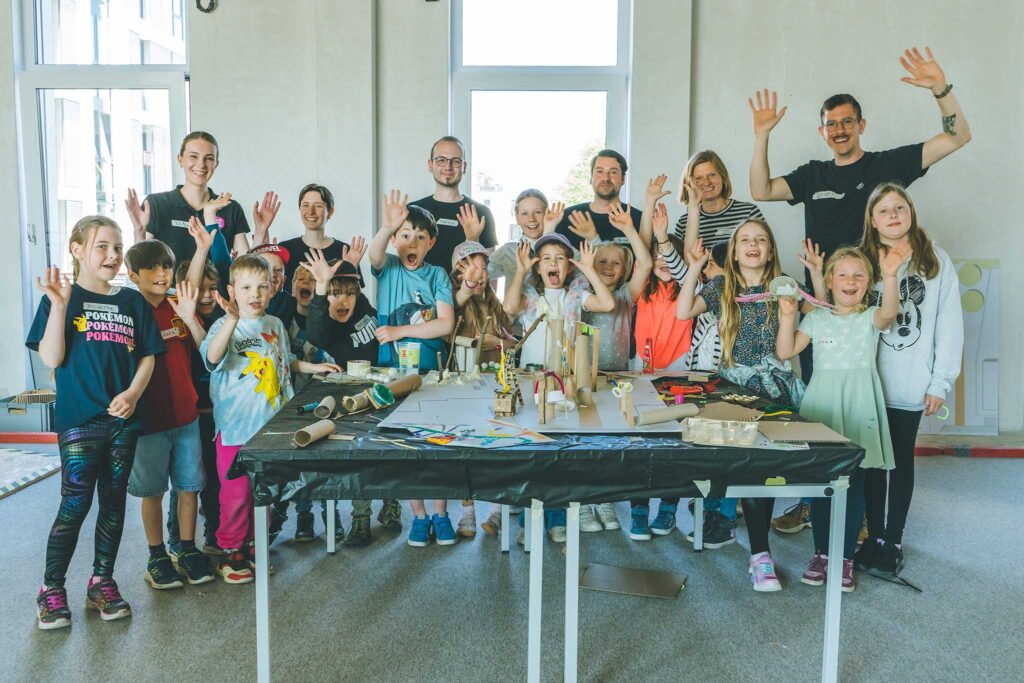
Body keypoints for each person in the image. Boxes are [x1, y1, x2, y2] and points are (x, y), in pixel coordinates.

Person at [27, 215, 164, 629]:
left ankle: (101, 581)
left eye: (117, 248)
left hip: (123, 420)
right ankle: (51, 589)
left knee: (114, 501)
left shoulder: (133, 301)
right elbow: (51, 358)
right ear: (78, 249)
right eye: (102, 246)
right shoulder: (61, 297)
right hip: (79, 419)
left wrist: (133, 394)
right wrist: (60, 305)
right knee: (75, 502)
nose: (112, 255)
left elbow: (148, 355)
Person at [677, 220, 810, 591]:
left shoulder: (785, 286)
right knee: (747, 471)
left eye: (761, 240)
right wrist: (693, 268)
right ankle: (758, 553)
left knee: (764, 473)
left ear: (770, 250)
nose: (753, 245)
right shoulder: (721, 286)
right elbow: (683, 312)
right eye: (746, 240)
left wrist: (793, 306)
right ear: (734, 251)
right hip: (733, 389)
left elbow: (793, 341)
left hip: (773, 389)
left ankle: (760, 554)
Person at [748, 46, 971, 259]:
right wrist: (762, 136)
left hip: (879, 291)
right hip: (823, 292)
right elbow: (761, 191)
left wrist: (940, 88)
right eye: (831, 125)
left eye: (847, 122)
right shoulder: (811, 175)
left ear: (861, 125)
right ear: (822, 132)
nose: (840, 130)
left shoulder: (888, 164)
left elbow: (957, 137)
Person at [200, 255, 340, 584]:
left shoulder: (275, 324)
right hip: (236, 429)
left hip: (272, 427)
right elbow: (211, 357)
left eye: (263, 287)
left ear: (273, 288)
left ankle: (253, 546)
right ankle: (231, 552)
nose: (256, 294)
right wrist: (231, 320)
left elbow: (284, 360)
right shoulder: (223, 326)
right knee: (235, 494)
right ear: (232, 291)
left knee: (263, 493)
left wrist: (314, 368)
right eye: (247, 287)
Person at [777, 245, 906, 592]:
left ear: (868, 283)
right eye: (843, 274)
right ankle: (821, 553)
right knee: (822, 488)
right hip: (824, 407)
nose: (850, 280)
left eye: (859, 275)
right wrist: (788, 315)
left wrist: (891, 275)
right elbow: (785, 352)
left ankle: (845, 557)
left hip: (859, 407)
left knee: (854, 489)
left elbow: (890, 312)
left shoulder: (871, 317)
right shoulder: (816, 318)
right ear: (831, 281)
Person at [855, 183, 963, 579]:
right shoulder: (863, 259)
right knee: (870, 463)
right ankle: (873, 535)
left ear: (911, 211)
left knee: (899, 461)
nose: (894, 215)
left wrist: (940, 382)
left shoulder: (935, 262)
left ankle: (893, 539)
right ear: (873, 219)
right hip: (867, 383)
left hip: (910, 383)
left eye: (901, 207)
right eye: (884, 210)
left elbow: (950, 327)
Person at [125, 234, 216, 589]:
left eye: (165, 266)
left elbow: (202, 349)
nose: (161, 273)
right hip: (149, 423)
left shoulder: (178, 307)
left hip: (187, 417)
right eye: (152, 267)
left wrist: (190, 317)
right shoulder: (130, 312)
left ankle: (187, 548)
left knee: (189, 486)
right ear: (134, 275)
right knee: (152, 492)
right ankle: (156, 554)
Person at [369, 190, 456, 546]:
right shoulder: (387, 267)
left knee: (438, 447)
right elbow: (374, 254)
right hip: (393, 375)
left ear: (431, 242)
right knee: (405, 450)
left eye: (420, 237)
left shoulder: (437, 275)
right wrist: (387, 227)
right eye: (404, 235)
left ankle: (441, 512)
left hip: (431, 374)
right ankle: (419, 516)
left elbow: (444, 324)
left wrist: (400, 331)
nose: (411, 242)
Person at [302, 248, 396, 547]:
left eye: (348, 294)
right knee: (360, 460)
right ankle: (360, 517)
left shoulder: (362, 307)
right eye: (334, 294)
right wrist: (321, 289)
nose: (342, 300)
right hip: (348, 400)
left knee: (388, 451)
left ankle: (391, 502)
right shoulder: (327, 326)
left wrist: (352, 266)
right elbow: (315, 331)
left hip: (380, 389)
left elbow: (355, 287)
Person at [124, 131, 281, 282]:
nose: (201, 164)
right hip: (169, 301)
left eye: (209, 158)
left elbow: (243, 268)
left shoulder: (230, 208)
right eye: (193, 156)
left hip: (215, 302)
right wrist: (139, 231)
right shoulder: (157, 204)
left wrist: (260, 232)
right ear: (180, 159)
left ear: (216, 164)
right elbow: (142, 266)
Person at [627, 206, 694, 540]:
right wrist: (647, 203)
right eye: (656, 256)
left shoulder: (689, 288)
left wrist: (692, 207)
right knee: (640, 443)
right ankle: (639, 511)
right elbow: (641, 250)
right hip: (642, 369)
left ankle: (668, 509)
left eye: (668, 256)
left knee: (675, 446)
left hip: (680, 370)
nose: (663, 261)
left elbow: (684, 252)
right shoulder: (641, 289)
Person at [448, 241, 516, 538]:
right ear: (458, 271)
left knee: (497, 447)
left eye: (484, 268)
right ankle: (467, 514)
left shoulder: (492, 302)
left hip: (495, 383)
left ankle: (496, 513)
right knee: (466, 453)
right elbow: (456, 329)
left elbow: (508, 339)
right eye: (471, 267)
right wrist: (488, 340)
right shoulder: (453, 299)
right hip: (463, 387)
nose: (480, 275)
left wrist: (494, 342)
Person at [166, 256, 223, 557]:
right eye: (198, 288)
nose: (204, 295)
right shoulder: (180, 319)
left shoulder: (222, 321)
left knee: (214, 480)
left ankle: (214, 535)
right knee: (185, 483)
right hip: (187, 415)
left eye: (211, 288)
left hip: (216, 415)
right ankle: (177, 541)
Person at [582, 203, 652, 372]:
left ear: (623, 271)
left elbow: (645, 265)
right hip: (584, 372)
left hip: (619, 373)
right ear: (591, 264)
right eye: (602, 261)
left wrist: (629, 229)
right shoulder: (582, 295)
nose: (609, 267)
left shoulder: (626, 294)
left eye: (616, 263)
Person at [410, 136, 498, 270]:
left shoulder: (481, 213)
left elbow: (489, 272)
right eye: (441, 160)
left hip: (466, 290)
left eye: (455, 161)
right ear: (430, 164)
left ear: (464, 166)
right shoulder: (413, 210)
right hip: (421, 291)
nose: (448, 166)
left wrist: (473, 240)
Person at [277, 183, 365, 290]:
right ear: (299, 208)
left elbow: (354, 299)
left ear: (330, 212)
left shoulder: (345, 252)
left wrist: (351, 271)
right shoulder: (284, 250)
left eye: (318, 206)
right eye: (305, 205)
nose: (311, 211)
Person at [554, 149, 644, 250]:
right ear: (591, 178)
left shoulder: (639, 219)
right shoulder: (567, 217)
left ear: (623, 179)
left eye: (613, 172)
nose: (606, 178)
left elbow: (646, 263)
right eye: (599, 171)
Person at [675, 150, 763, 251]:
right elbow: (680, 265)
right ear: (689, 184)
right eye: (699, 178)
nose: (707, 182)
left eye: (712, 175)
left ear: (723, 176)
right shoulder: (683, 223)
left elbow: (764, 252)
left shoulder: (749, 212)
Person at [488, 189, 565, 285]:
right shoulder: (507, 251)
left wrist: (548, 233)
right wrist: (472, 238)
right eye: (524, 213)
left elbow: (582, 277)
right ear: (517, 218)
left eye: (537, 212)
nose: (531, 219)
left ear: (546, 213)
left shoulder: (565, 250)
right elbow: (477, 275)